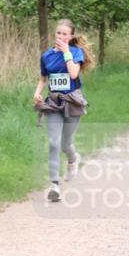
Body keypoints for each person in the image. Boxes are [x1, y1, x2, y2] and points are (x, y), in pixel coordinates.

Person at [34, 19, 94, 202]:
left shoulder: (75, 52)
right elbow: (44, 79)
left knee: (65, 144)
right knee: (53, 143)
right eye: (58, 33)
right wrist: (37, 93)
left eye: (64, 34)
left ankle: (73, 158)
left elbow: (74, 73)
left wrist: (66, 51)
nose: (60, 36)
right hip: (53, 103)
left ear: (71, 36)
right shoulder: (46, 56)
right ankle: (54, 185)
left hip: (72, 101)